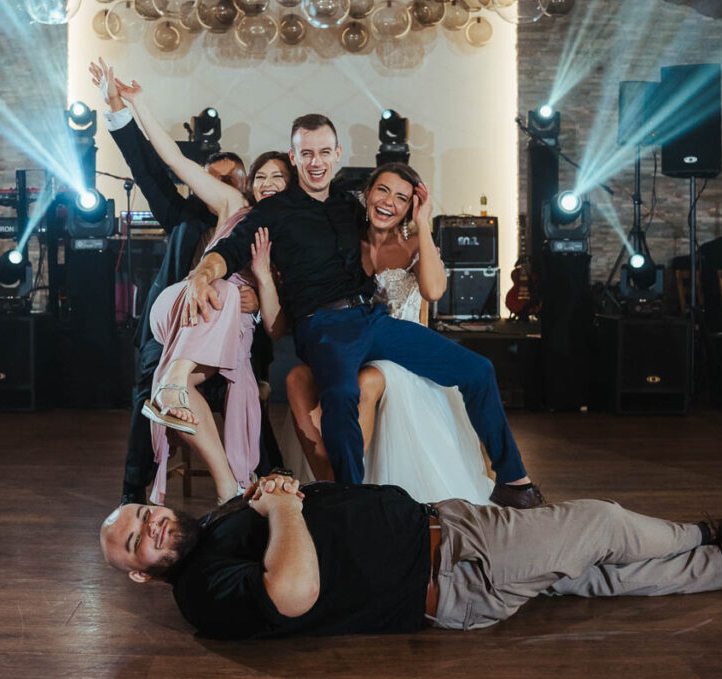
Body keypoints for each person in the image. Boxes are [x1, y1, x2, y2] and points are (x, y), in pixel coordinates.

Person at [182, 113, 542, 508]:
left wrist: (421, 226)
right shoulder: (273, 212)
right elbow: (229, 250)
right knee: (341, 396)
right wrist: (203, 274)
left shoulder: (348, 206)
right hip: (321, 325)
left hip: (371, 318)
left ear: (337, 154)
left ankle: (514, 481)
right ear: (294, 157)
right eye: (306, 153)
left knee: (478, 369)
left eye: (324, 152)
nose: (316, 162)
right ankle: (350, 503)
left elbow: (391, 230)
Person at [100, 474, 722, 639]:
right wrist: (281, 509)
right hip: (454, 568)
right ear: (139, 571)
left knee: (593, 575)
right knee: (598, 525)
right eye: (137, 540)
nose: (152, 526)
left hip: (447, 532)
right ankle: (709, 532)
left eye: (143, 512)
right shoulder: (200, 591)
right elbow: (292, 592)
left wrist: (274, 490)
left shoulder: (209, 532)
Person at [95, 61, 294, 505]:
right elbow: (163, 161)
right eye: (212, 179)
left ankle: (243, 486)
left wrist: (260, 292)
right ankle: (134, 491)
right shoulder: (215, 209)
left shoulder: (284, 234)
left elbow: (280, 317)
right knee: (155, 375)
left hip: (237, 335)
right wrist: (130, 104)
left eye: (274, 177)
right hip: (174, 319)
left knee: (241, 375)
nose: (216, 184)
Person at [267, 162, 494, 504]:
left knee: (367, 381)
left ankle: (348, 495)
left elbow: (434, 291)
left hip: (402, 360)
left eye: (402, 197)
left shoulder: (415, 243)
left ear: (411, 206)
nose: (389, 202)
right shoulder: (343, 245)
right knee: (298, 378)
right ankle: (330, 484)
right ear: (367, 194)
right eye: (383, 191)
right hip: (349, 349)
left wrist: (424, 224)